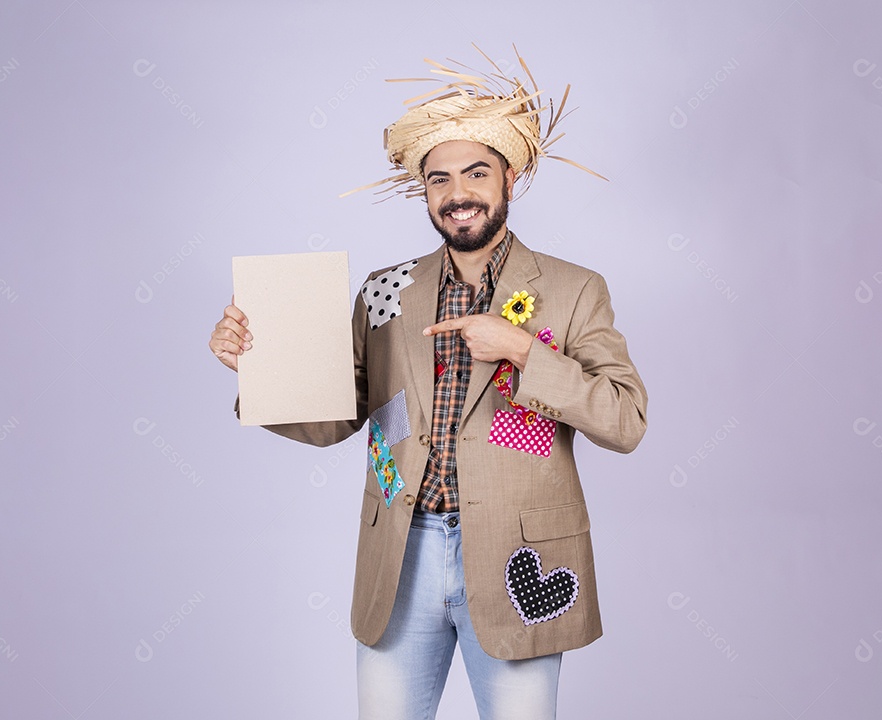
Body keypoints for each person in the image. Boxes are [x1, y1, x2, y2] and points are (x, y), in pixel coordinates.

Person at [208, 47, 648, 720]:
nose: (457, 193)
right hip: (401, 559)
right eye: (438, 179)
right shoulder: (385, 292)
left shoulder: (573, 289)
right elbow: (334, 420)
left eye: (476, 172)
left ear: (509, 178)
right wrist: (257, 368)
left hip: (515, 559)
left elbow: (624, 422)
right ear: (425, 191)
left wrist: (525, 352)